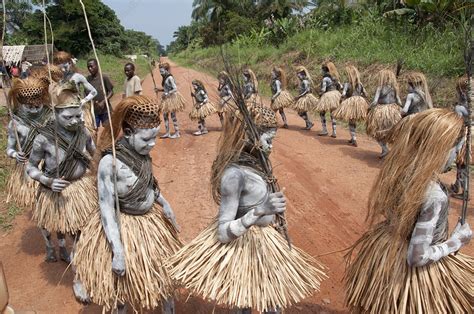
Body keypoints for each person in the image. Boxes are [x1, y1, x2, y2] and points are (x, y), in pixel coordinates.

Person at [169, 104, 326, 313]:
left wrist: (276, 220)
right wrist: (259, 210)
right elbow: (223, 233)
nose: (271, 147)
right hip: (242, 248)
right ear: (249, 137)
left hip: (266, 246)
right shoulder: (234, 175)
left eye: (272, 140)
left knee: (273, 304)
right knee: (242, 306)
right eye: (268, 140)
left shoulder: (260, 166)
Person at [345, 108, 472, 313]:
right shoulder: (433, 196)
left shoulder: (398, 173)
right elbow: (417, 257)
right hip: (408, 272)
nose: (457, 157)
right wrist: (456, 241)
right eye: (455, 149)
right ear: (439, 149)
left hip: (387, 253)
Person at [73, 95, 181, 313]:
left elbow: (149, 183)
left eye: (154, 138)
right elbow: (106, 207)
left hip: (150, 224)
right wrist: (118, 251)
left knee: (163, 277)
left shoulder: (142, 153)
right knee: (120, 289)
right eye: (146, 139)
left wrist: (164, 203)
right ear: (129, 132)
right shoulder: (109, 163)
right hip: (124, 228)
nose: (151, 145)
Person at [26, 82, 96, 265]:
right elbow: (31, 167)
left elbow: (95, 155)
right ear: (55, 114)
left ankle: (81, 260)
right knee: (65, 228)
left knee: (82, 231)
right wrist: (47, 181)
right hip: (58, 193)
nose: (74, 121)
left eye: (78, 116)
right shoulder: (43, 138)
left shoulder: (84, 132)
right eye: (68, 117)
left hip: (81, 189)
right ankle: (67, 255)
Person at [6, 78, 52, 207]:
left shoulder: (50, 118)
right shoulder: (15, 123)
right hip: (28, 165)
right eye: (29, 107)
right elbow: (9, 148)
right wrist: (15, 154)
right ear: (22, 104)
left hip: (48, 164)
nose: (34, 110)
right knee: (35, 201)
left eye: (37, 107)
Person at [53, 51, 98, 130]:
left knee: (86, 131)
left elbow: (94, 91)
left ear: (70, 63)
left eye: (65, 67)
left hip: (78, 109)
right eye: (60, 68)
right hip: (62, 110)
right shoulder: (56, 79)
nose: (63, 70)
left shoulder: (77, 77)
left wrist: (83, 101)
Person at [366, 69, 402, 158]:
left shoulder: (380, 88)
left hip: (381, 112)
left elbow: (375, 101)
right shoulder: (394, 88)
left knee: (376, 132)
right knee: (388, 131)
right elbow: (399, 101)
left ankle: (385, 149)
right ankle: (384, 151)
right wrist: (399, 109)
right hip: (393, 112)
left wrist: (369, 108)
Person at [333, 65, 369, 147]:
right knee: (353, 121)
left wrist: (341, 101)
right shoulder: (360, 84)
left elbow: (343, 94)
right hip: (359, 103)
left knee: (351, 121)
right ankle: (353, 138)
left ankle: (354, 138)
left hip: (351, 103)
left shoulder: (347, 84)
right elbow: (366, 94)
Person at [156, 62, 185, 139]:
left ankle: (177, 132)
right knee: (165, 115)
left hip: (171, 98)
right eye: (160, 71)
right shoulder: (165, 77)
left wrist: (167, 93)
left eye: (162, 71)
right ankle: (167, 133)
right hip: (166, 99)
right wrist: (159, 90)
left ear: (166, 70)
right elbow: (166, 88)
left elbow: (175, 88)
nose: (161, 73)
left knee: (173, 116)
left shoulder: (169, 78)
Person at [315, 61, 342, 138]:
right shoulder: (335, 78)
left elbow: (323, 89)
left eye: (322, 70)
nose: (321, 72)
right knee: (332, 113)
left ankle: (325, 130)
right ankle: (334, 132)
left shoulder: (325, 79)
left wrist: (320, 94)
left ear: (324, 70)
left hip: (328, 96)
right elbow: (341, 87)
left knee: (322, 113)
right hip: (335, 95)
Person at [86, 58, 114, 127]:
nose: (90, 69)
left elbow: (111, 92)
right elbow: (86, 93)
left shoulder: (103, 77)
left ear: (97, 66)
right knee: (94, 129)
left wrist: (103, 102)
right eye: (88, 67)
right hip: (94, 110)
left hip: (105, 110)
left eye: (91, 66)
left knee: (108, 128)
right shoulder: (88, 79)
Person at [293, 66, 317, 130]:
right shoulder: (304, 81)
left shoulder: (305, 82)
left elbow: (307, 90)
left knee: (300, 112)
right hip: (303, 96)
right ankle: (308, 125)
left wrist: (299, 96)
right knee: (303, 111)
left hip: (305, 97)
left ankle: (309, 123)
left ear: (303, 75)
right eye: (298, 76)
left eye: (299, 76)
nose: (299, 77)